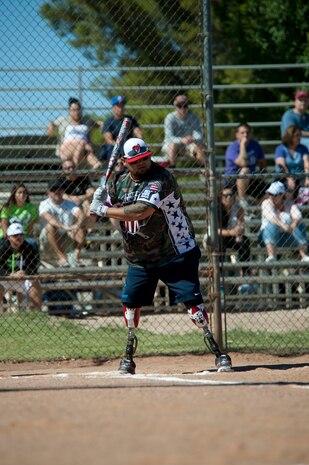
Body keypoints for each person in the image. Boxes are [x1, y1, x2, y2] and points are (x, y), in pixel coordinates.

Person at [90, 137, 232, 374]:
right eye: (135, 161)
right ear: (125, 162)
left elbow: (141, 211)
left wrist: (103, 209)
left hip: (175, 252)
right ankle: (127, 356)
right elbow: (98, 216)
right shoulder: (118, 182)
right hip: (140, 257)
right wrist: (95, 202)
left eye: (145, 158)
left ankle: (219, 353)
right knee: (130, 308)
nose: (142, 164)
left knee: (194, 309)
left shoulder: (161, 178)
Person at [39, 178, 86, 267]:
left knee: (81, 227)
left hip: (66, 236)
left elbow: (80, 214)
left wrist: (77, 225)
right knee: (50, 227)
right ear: (48, 192)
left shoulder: (69, 203)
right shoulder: (44, 204)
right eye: (53, 189)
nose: (57, 191)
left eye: (59, 189)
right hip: (49, 239)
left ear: (63, 190)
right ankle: (61, 257)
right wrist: (64, 227)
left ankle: (75, 255)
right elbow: (49, 218)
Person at [258, 181, 309, 262]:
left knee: (299, 225)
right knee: (272, 224)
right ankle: (271, 256)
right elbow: (271, 216)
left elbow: (298, 215)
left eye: (274, 195)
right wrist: (283, 225)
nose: (271, 197)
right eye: (270, 194)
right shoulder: (266, 203)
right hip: (266, 237)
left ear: (282, 195)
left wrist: (293, 224)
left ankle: (304, 256)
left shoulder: (289, 204)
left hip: (285, 237)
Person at [47, 97, 102, 169]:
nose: (76, 112)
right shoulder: (64, 119)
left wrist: (104, 126)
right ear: (69, 110)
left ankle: (96, 167)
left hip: (83, 150)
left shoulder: (86, 119)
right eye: (73, 110)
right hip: (67, 148)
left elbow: (97, 124)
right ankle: (76, 167)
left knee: (88, 154)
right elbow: (52, 123)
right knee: (83, 143)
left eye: (78, 109)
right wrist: (51, 127)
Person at [0, 223, 41, 312]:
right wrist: (10, 274)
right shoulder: (2, 248)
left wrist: (25, 273)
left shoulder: (28, 247)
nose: (19, 237)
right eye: (15, 235)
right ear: (8, 237)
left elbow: (34, 266)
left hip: (23, 278)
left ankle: (37, 313)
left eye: (21, 234)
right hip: (6, 278)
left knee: (35, 284)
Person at [225, 122, 267, 209]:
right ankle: (242, 200)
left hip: (250, 178)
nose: (246, 135)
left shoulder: (255, 145)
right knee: (245, 170)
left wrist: (261, 174)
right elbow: (242, 163)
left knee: (270, 192)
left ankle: (253, 212)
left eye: (248, 132)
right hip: (232, 179)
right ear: (237, 135)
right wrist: (243, 145)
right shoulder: (232, 148)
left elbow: (262, 162)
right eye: (242, 133)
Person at [162, 94, 204, 168]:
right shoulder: (170, 117)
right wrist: (181, 140)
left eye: (185, 106)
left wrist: (192, 138)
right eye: (179, 106)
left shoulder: (193, 117)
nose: (182, 109)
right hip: (174, 146)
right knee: (172, 145)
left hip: (189, 144)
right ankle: (172, 171)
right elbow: (168, 137)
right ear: (175, 106)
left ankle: (202, 170)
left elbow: (199, 135)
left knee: (199, 146)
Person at [98, 95, 143, 163]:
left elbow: (138, 133)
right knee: (111, 149)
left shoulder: (130, 119)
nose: (121, 108)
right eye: (118, 106)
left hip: (128, 146)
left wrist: (139, 140)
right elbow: (109, 140)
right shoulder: (109, 121)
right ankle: (117, 166)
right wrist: (120, 148)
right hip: (114, 148)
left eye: (122, 105)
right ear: (113, 107)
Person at [274, 125, 309, 194]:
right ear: (290, 136)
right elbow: (281, 165)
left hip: (300, 176)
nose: (299, 137)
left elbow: (306, 162)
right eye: (297, 135)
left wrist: (307, 178)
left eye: (300, 135)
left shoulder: (303, 148)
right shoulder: (281, 148)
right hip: (284, 176)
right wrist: (289, 178)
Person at [61, 159, 95, 230]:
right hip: (66, 203)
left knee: (88, 205)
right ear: (63, 170)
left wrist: (79, 198)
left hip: (83, 201)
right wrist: (73, 199)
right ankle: (79, 230)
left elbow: (91, 192)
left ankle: (88, 231)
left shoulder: (83, 178)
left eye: (72, 167)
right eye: (67, 168)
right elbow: (61, 194)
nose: (71, 170)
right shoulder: (61, 179)